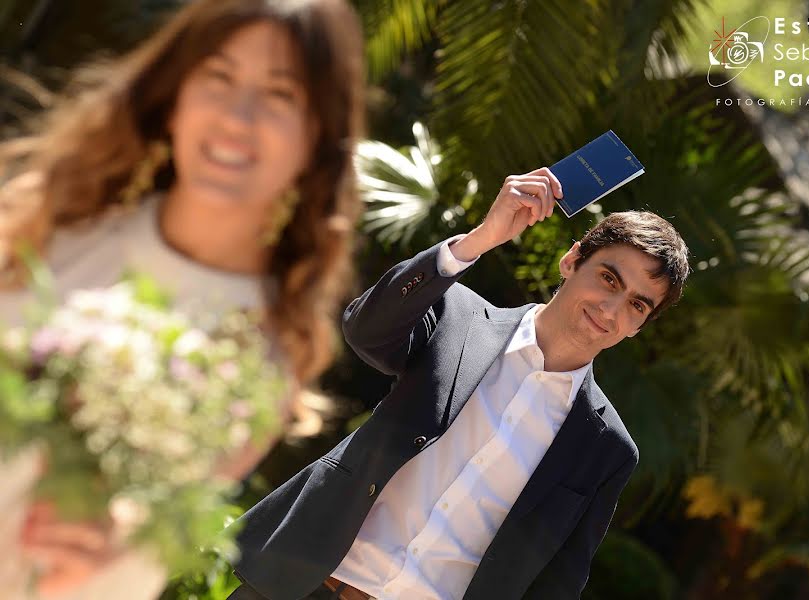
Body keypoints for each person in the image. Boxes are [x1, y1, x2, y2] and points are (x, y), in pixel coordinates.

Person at [0, 0, 365, 596]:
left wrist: (118, 532)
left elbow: (157, 531)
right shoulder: (45, 219)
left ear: (318, 135)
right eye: (218, 77)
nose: (237, 117)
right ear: (176, 94)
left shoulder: (269, 349)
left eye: (280, 94)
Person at [228, 168, 691, 599]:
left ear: (639, 326)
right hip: (305, 582)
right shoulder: (459, 317)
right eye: (609, 278)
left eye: (637, 305)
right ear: (571, 261)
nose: (611, 309)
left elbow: (558, 582)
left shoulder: (607, 449)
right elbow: (365, 329)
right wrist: (478, 242)